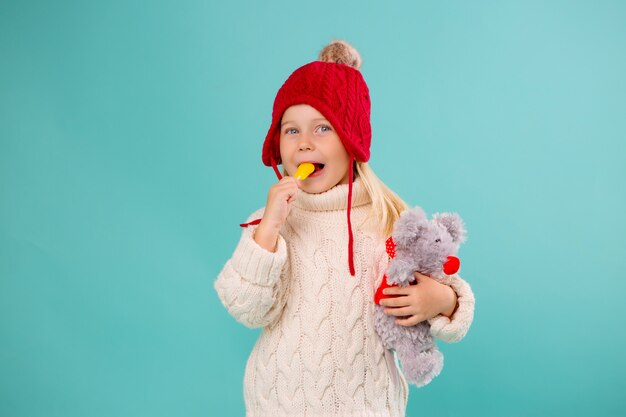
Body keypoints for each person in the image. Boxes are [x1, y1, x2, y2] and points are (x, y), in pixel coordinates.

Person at [214, 39, 475, 417]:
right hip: (278, 404)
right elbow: (247, 309)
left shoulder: (387, 221)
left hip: (366, 406)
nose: (304, 143)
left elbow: (453, 294)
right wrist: (268, 229)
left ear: (351, 140)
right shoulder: (270, 222)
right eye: (291, 130)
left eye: (322, 128)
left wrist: (443, 302)